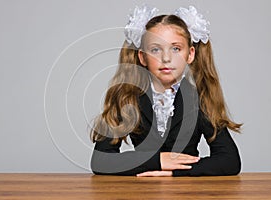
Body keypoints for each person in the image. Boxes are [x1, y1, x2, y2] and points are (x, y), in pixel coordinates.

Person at [90, 5, 242, 176]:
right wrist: (157, 161)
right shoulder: (127, 98)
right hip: (140, 191)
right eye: (155, 49)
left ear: (190, 54)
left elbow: (230, 160)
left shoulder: (199, 98)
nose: (166, 58)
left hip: (187, 191)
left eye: (176, 48)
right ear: (143, 57)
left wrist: (174, 172)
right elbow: (100, 161)